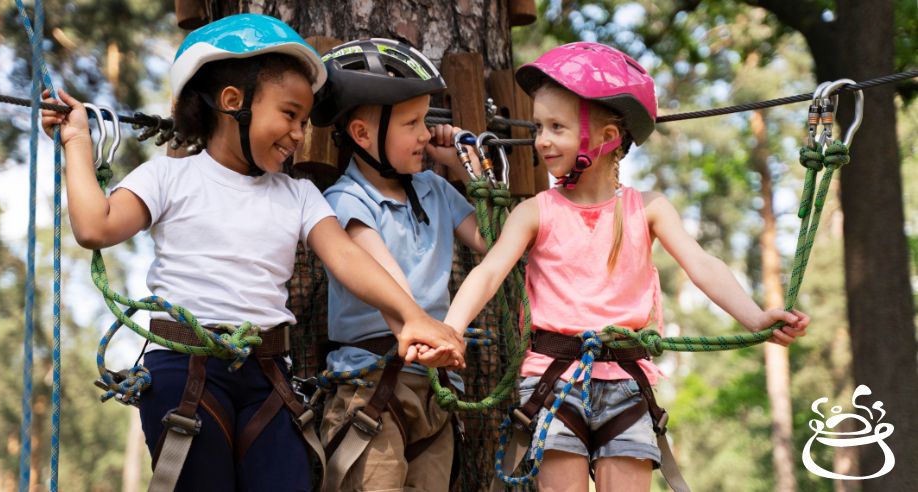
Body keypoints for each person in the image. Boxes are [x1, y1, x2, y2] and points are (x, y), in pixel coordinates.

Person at [41, 15, 464, 491]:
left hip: (267, 375)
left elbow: (346, 257)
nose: (299, 133)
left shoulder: (298, 195)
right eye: (289, 114)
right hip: (186, 370)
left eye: (304, 120)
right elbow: (95, 226)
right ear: (232, 103)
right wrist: (77, 142)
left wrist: (411, 317)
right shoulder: (169, 178)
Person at [442, 42, 811, 492]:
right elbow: (489, 270)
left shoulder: (647, 209)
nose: (540, 139)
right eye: (539, 126)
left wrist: (755, 316)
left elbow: (701, 264)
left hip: (626, 382)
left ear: (608, 138)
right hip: (553, 379)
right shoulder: (535, 211)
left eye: (556, 127)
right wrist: (452, 327)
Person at [308, 38, 487, 491]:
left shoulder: (435, 189)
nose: (427, 135)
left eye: (427, 121)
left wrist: (465, 170)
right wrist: (427, 328)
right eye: (412, 123)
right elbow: (385, 274)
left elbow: (492, 242)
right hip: (370, 387)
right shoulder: (346, 200)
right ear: (363, 135)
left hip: (436, 391)